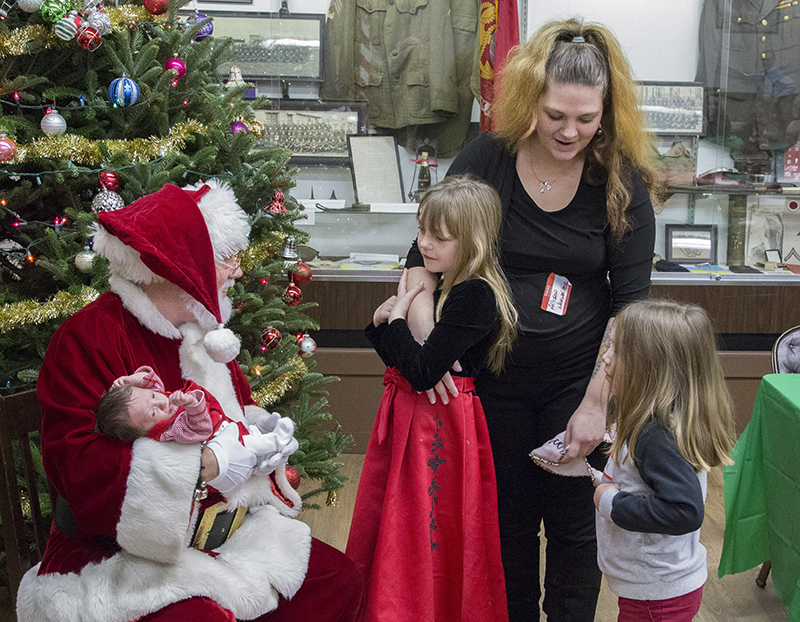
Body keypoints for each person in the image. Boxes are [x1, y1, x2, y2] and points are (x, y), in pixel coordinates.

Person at [404, 18, 658, 621]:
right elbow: (422, 261)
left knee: (575, 533)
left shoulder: (620, 181)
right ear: (530, 101)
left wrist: (599, 401)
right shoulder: (488, 157)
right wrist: (426, 347)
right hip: (492, 387)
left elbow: (632, 305)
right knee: (505, 530)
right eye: (554, 116)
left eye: (586, 119)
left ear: (607, 111)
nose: (569, 132)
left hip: (579, 385)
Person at [19, 180, 364, 622]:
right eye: (227, 260)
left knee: (339, 579)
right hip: (117, 554)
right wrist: (209, 465)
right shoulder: (89, 337)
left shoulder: (202, 336)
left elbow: (235, 416)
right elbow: (81, 470)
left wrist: (261, 439)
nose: (237, 273)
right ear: (181, 266)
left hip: (221, 534)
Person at [346, 175, 518, 622]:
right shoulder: (442, 283)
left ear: (473, 242)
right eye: (420, 231)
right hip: (412, 419)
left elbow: (421, 372)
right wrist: (382, 325)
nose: (423, 244)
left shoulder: (475, 296)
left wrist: (396, 317)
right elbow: (404, 363)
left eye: (438, 237)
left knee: (430, 532)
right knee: (398, 528)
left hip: (441, 430)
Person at [594, 299, 735, 621]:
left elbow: (683, 511)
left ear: (647, 366)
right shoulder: (652, 425)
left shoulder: (656, 436)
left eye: (615, 349)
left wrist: (611, 502)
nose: (606, 357)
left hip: (656, 594)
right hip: (652, 588)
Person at [95, 365, 296, 470]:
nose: (160, 402)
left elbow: (152, 381)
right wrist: (191, 405)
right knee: (248, 445)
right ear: (144, 433)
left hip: (225, 422)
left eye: (153, 397)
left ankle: (262, 427)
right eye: (153, 412)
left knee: (248, 430)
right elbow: (201, 429)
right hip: (222, 438)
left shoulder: (158, 399)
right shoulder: (171, 430)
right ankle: (273, 442)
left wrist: (132, 380)